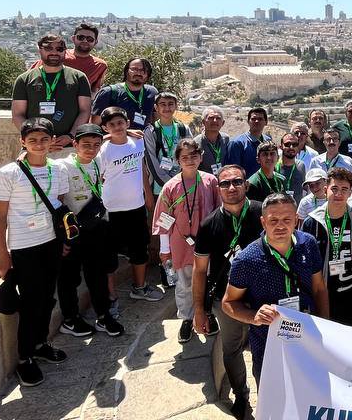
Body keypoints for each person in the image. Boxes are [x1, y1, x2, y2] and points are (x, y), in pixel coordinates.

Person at [0, 118, 70, 387]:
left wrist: (63, 240)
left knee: (47, 299)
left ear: (52, 141)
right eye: (33, 140)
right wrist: (3, 255)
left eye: (44, 139)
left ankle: (40, 344)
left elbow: (58, 204)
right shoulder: (8, 174)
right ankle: (24, 358)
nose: (39, 144)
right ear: (22, 141)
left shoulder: (57, 170)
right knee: (31, 303)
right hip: (24, 247)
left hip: (50, 243)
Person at [222, 193, 329, 387]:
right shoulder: (247, 259)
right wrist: (254, 316)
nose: (280, 226)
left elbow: (319, 288)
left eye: (287, 219)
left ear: (296, 220)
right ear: (263, 222)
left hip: (306, 340)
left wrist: (325, 327)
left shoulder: (308, 244)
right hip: (268, 347)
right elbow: (228, 303)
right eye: (273, 220)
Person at [192, 165, 263, 416]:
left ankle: (266, 393)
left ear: (246, 184)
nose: (231, 188)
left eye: (237, 182)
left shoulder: (262, 213)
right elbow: (200, 270)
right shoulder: (209, 224)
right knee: (232, 349)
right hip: (227, 300)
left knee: (263, 349)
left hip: (261, 297)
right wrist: (199, 311)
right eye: (225, 184)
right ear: (218, 188)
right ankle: (241, 396)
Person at [55, 124, 122, 338]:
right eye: (85, 145)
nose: (91, 149)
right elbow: (58, 202)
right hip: (73, 230)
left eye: (95, 145)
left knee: (97, 274)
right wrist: (62, 238)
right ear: (74, 144)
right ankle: (70, 319)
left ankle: (103, 315)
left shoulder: (96, 163)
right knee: (69, 278)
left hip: (96, 227)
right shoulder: (63, 167)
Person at [152, 139, 219, 343]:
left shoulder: (210, 181)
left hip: (207, 244)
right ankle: (187, 319)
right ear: (178, 161)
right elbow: (164, 218)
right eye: (184, 157)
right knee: (184, 283)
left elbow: (219, 212)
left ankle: (208, 314)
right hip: (181, 243)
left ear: (201, 157)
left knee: (208, 281)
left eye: (193, 156)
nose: (189, 160)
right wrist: (164, 249)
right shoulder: (171, 187)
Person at [96, 107, 163, 307]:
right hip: (111, 208)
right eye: (112, 124)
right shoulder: (102, 150)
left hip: (136, 205)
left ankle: (139, 287)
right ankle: (110, 296)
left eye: (120, 123)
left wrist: (148, 194)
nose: (117, 127)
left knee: (139, 248)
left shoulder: (137, 141)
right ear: (105, 127)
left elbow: (142, 168)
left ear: (127, 122)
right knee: (109, 255)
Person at [299, 168, 352, 327]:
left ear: (351, 192)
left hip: (350, 297)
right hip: (321, 297)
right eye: (334, 189)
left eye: (344, 189)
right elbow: (303, 264)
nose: (339, 194)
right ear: (325, 189)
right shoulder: (312, 223)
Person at [11, 34, 93, 152]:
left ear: (65, 51)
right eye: (48, 48)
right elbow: (18, 114)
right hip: (34, 148)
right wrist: (38, 139)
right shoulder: (24, 79)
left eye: (59, 49)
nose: (54, 52)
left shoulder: (79, 77)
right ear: (40, 50)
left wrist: (70, 136)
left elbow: (85, 111)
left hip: (68, 146)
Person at [29, 23, 108, 90]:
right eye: (81, 37)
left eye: (90, 39)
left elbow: (95, 90)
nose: (85, 41)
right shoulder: (57, 56)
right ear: (73, 39)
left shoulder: (100, 65)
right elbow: (30, 79)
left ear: (95, 42)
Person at [144, 92, 192, 195]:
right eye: (163, 104)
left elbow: (190, 155)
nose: (167, 107)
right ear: (156, 108)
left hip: (182, 185)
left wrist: (179, 180)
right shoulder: (150, 131)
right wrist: (169, 183)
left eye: (170, 104)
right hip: (159, 188)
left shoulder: (183, 129)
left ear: (176, 106)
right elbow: (151, 161)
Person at [91, 57, 157, 129]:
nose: (138, 73)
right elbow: (94, 126)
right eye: (134, 69)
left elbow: (156, 121)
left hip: (144, 139)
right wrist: (126, 133)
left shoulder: (152, 92)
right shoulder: (108, 93)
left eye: (143, 70)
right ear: (126, 71)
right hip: (115, 139)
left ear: (148, 74)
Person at [232, 107, 273, 178]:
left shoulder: (268, 141)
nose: (256, 121)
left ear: (266, 122)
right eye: (253, 119)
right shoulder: (237, 143)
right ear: (248, 121)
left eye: (260, 119)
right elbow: (233, 171)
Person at [195, 106, 232, 176]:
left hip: (223, 182)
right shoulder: (196, 143)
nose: (215, 120)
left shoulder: (226, 139)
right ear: (203, 122)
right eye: (211, 118)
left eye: (218, 118)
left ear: (223, 123)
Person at [276, 132, 307, 204]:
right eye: (287, 144)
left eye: (294, 144)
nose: (291, 147)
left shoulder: (301, 166)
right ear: (281, 146)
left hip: (295, 212)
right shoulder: (274, 166)